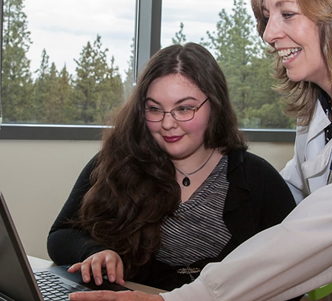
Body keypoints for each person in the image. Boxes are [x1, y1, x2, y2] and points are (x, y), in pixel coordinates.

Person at [67, 0, 332, 300]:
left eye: (287, 14)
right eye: (267, 16)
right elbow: (295, 196)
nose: (269, 34)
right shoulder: (322, 113)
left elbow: (310, 234)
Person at [47, 42, 298, 294]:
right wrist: (96, 251)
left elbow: (294, 274)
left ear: (215, 105)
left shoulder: (258, 180)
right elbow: (60, 235)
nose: (167, 123)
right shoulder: (115, 163)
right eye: (154, 109)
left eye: (184, 108)